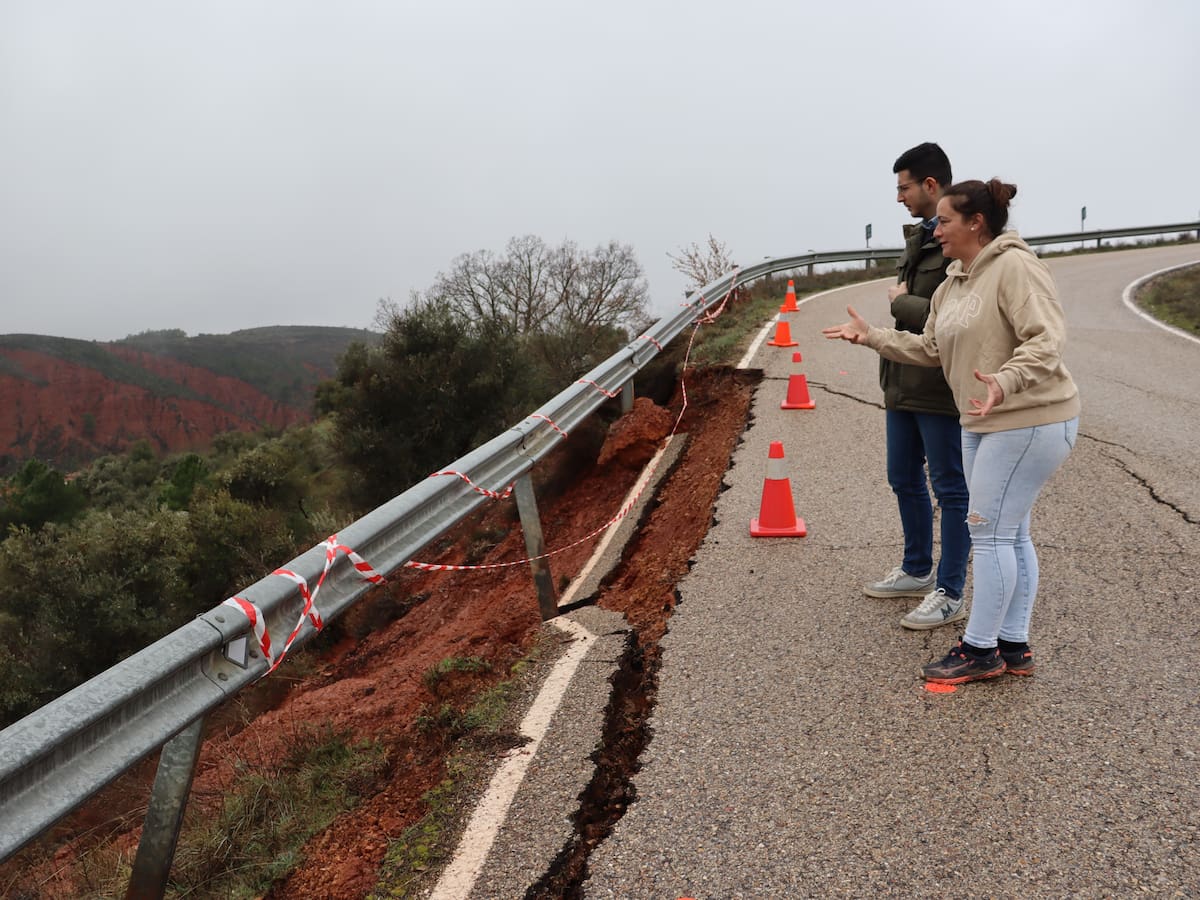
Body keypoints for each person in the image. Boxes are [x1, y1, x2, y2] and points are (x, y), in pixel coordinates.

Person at [822, 178, 1080, 685]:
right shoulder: (954, 282)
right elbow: (931, 350)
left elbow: (1047, 340)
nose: (934, 230)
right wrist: (871, 337)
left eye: (943, 221)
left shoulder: (1015, 267)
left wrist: (1006, 380)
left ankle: (980, 649)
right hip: (980, 420)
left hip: (1030, 418)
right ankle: (1013, 645)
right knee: (1011, 533)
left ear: (975, 223)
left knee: (988, 534)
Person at [863, 143, 971, 633]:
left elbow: (950, 317)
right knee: (902, 477)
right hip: (902, 379)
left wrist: (900, 303)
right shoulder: (921, 238)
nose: (899, 197)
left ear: (931, 185)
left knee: (949, 488)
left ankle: (949, 591)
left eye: (904, 187)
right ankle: (915, 569)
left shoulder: (965, 239)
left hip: (938, 384)